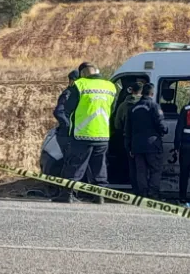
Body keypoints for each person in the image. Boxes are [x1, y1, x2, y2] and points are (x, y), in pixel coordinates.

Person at [54, 62, 116, 204]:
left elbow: (64, 109)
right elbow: (112, 109)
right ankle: (99, 195)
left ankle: (67, 194)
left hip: (82, 133)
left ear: (82, 73)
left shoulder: (79, 85)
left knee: (76, 165)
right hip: (102, 134)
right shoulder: (110, 86)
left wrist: (68, 127)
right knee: (99, 166)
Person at [125, 83, 167, 199]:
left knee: (141, 171)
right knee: (155, 170)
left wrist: (129, 146)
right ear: (152, 94)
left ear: (142, 93)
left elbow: (127, 129)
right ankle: (153, 194)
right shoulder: (154, 106)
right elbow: (161, 125)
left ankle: (142, 194)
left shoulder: (133, 108)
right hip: (152, 145)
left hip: (137, 145)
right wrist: (164, 130)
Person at [52, 69, 80, 163]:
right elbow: (58, 111)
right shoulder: (68, 93)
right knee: (68, 161)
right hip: (66, 133)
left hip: (74, 132)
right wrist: (68, 126)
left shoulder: (78, 94)